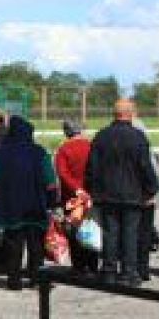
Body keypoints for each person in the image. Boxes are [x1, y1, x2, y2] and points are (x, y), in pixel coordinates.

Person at [84, 99, 159, 286]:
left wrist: (92, 189)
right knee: (130, 234)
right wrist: (152, 188)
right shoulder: (138, 137)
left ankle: (109, 271)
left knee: (110, 233)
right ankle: (128, 272)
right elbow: (144, 166)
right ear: (130, 113)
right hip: (133, 193)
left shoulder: (101, 136)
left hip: (107, 193)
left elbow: (92, 167)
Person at [0, 115, 58, 291]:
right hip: (36, 206)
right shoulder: (40, 153)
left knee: (13, 245)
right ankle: (36, 279)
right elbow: (50, 180)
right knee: (36, 246)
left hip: (10, 207)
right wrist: (51, 204)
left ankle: (14, 280)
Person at [54, 116, 98, 275]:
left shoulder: (63, 149)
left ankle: (78, 266)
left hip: (71, 197)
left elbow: (62, 173)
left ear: (66, 131)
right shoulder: (91, 146)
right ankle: (93, 264)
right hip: (91, 194)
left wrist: (76, 189)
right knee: (91, 229)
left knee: (73, 230)